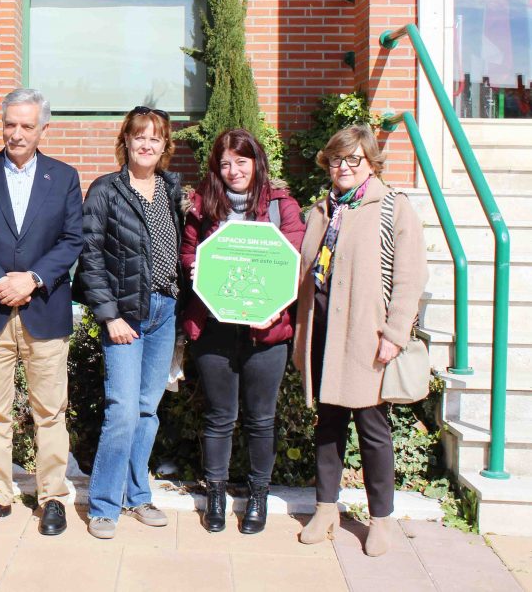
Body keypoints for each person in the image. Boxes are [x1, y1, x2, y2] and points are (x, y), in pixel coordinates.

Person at [0, 88, 83, 536]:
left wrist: (32, 279)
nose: (17, 133)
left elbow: (72, 239)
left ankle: (51, 497)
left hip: (43, 309)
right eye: (10, 124)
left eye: (27, 126)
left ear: (44, 128)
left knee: (50, 411)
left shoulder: (64, 177)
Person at [294, 124, 427, 556]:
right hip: (323, 334)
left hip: (366, 336)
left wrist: (395, 333)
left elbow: (410, 276)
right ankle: (326, 509)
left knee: (373, 429)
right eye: (336, 159)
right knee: (328, 426)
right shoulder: (320, 209)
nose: (343, 167)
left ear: (370, 162)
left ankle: (381, 520)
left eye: (353, 159)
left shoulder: (392, 207)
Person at [180, 128, 304, 534]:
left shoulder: (281, 205)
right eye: (225, 163)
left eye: (241, 161)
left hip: (265, 332)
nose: (233, 170)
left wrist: (275, 310)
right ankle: (215, 492)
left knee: (261, 419)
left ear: (256, 163)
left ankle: (257, 496)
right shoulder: (202, 204)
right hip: (215, 328)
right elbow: (188, 250)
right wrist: (195, 267)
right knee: (219, 417)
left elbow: (294, 261)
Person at [75, 106, 184, 540]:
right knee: (121, 410)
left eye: (155, 138)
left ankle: (138, 496)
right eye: (139, 136)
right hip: (124, 315)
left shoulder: (173, 189)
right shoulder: (106, 190)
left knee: (147, 410)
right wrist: (110, 315)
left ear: (164, 146)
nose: (146, 144)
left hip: (165, 311)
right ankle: (104, 505)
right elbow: (90, 256)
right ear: (126, 141)